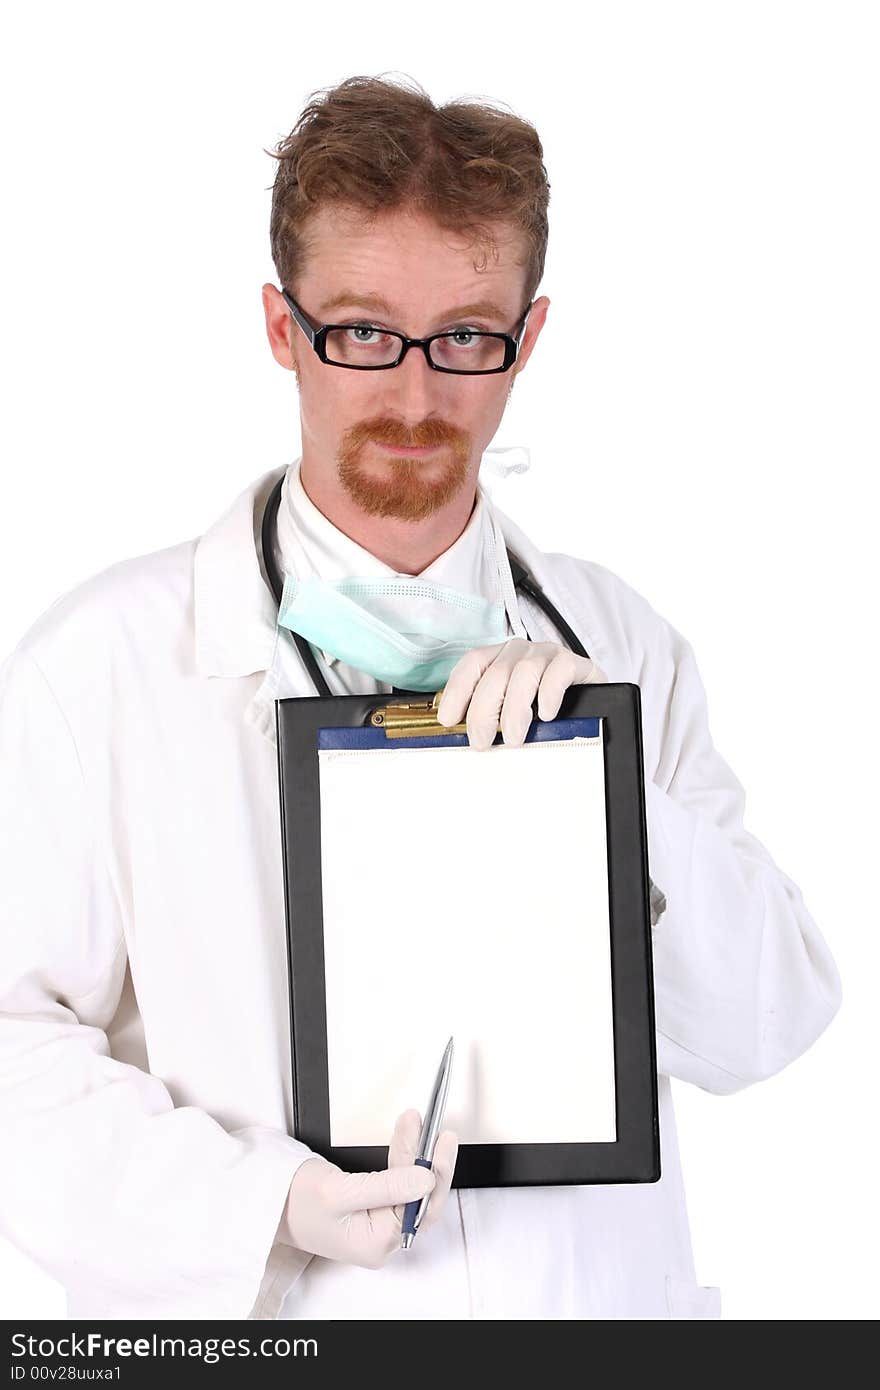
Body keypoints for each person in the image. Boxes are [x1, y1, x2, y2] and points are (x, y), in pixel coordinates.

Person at [0, 74, 841, 1323]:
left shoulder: (623, 647)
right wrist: (259, 1205)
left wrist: (610, 797)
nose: (412, 396)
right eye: (359, 331)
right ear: (283, 331)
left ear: (528, 337)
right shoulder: (104, 666)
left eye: (463, 337)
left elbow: (767, 1024)